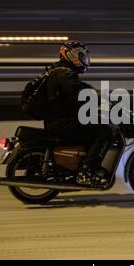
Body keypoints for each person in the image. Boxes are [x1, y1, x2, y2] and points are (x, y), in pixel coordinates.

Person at [45, 41, 114, 187]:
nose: (84, 60)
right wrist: (101, 101)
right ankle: (86, 173)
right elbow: (81, 93)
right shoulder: (63, 74)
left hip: (60, 120)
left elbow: (77, 95)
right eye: (81, 56)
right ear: (70, 55)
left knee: (95, 127)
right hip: (62, 122)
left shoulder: (60, 72)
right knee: (105, 131)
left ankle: (84, 166)